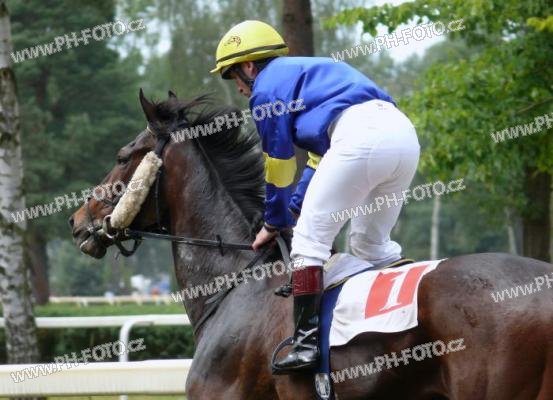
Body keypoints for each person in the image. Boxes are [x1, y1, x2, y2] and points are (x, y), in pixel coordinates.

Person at [211, 20, 420, 374]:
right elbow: (316, 160)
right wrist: (294, 208)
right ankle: (409, 328)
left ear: (249, 66)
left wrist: (274, 222)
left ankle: (305, 345)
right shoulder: (308, 74)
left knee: (308, 243)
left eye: (234, 78)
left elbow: (278, 165)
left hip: (360, 139)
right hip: (403, 135)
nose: (240, 89)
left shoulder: (266, 90)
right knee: (372, 246)